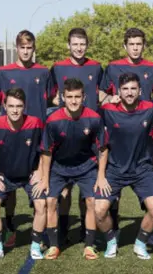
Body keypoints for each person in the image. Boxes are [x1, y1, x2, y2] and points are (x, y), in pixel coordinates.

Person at [0, 30, 52, 247]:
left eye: (29, 48)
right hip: (12, 136)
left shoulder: (44, 72)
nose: (26, 51)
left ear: (34, 49)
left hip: (38, 136)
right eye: (22, 47)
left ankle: (42, 232)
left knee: (40, 183)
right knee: (10, 183)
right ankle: (9, 227)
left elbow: (52, 97)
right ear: (16, 48)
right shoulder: (3, 72)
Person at [96, 73, 153, 259]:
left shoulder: (150, 109)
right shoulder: (108, 110)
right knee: (99, 210)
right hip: (114, 169)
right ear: (118, 91)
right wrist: (100, 175)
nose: (130, 93)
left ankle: (140, 243)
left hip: (142, 169)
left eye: (133, 89)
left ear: (140, 91)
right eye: (125, 89)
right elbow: (90, 122)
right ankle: (111, 242)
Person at [41, 78, 106, 260]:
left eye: (77, 96)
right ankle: (54, 245)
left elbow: (102, 148)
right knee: (51, 201)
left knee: (92, 201)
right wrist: (45, 178)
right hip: (59, 167)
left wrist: (101, 176)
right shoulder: (53, 120)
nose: (74, 101)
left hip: (86, 167)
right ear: (63, 97)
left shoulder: (94, 118)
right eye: (69, 97)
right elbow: (46, 152)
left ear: (84, 97)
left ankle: (89, 245)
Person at [0, 88, 47, 260]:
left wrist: (39, 171)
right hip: (5, 175)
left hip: (29, 175)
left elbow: (45, 150)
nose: (15, 110)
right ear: (4, 106)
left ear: (25, 106)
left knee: (41, 205)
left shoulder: (36, 123)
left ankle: (35, 245)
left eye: (19, 106)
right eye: (11, 106)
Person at [101, 28, 153, 103]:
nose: (135, 48)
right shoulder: (113, 67)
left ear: (144, 46)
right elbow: (101, 92)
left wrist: (152, 107)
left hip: (144, 114)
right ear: (125, 46)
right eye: (131, 44)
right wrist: (110, 99)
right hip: (119, 114)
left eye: (139, 44)